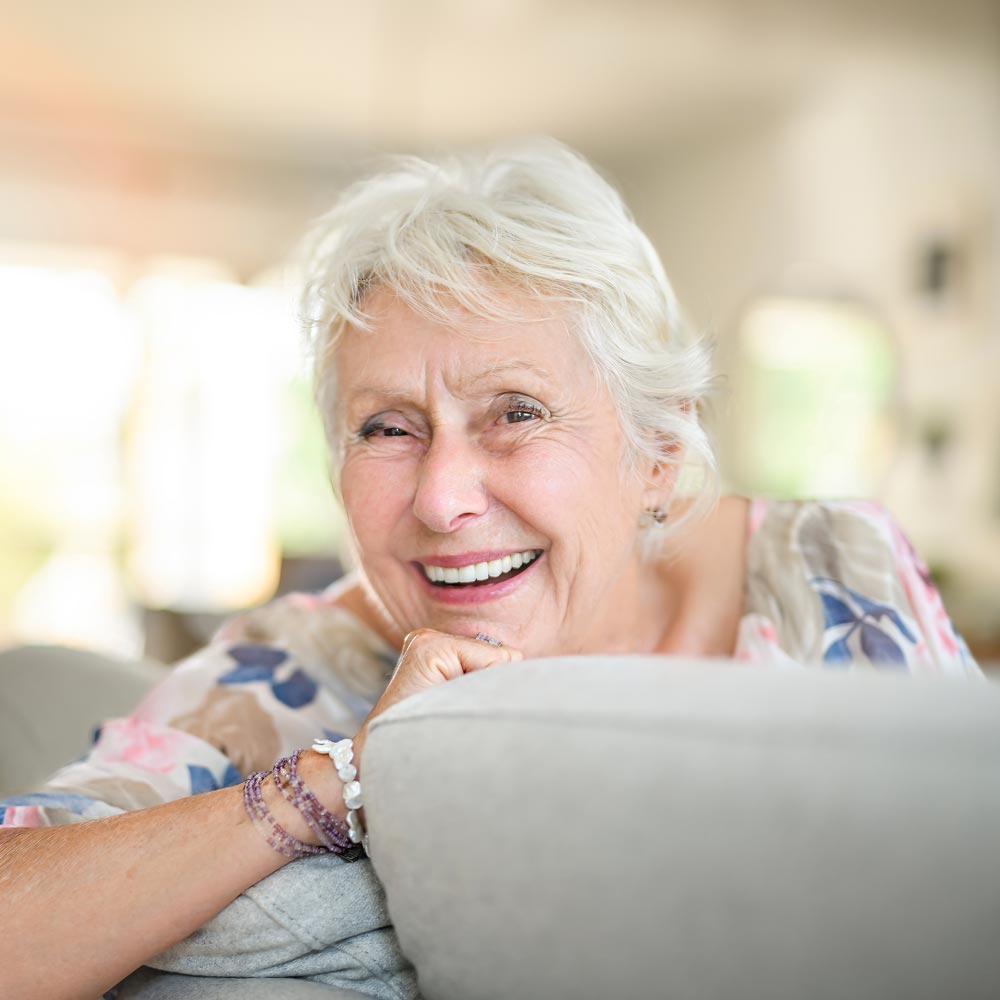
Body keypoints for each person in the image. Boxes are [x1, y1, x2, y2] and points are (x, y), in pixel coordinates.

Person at [0, 139, 977, 1000]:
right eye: (387, 427)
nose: (439, 498)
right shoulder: (292, 670)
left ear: (659, 452)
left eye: (515, 411)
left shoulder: (832, 565)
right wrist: (342, 778)